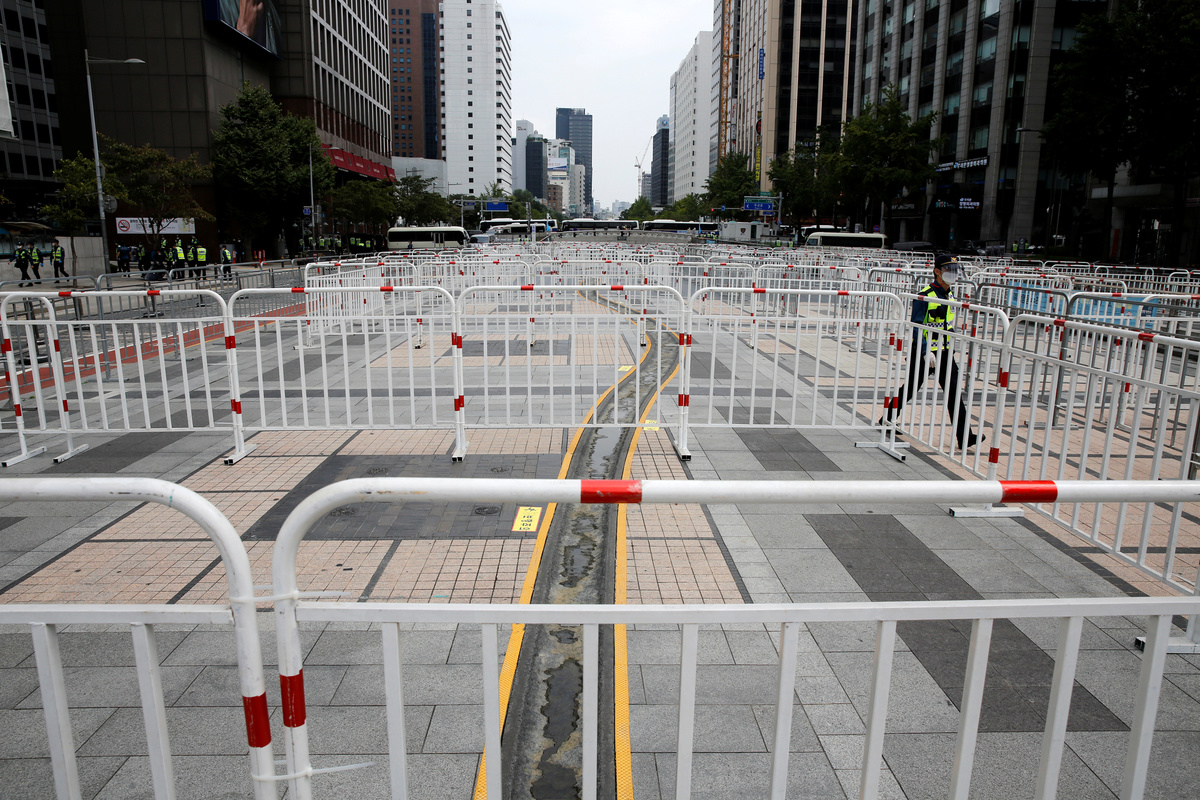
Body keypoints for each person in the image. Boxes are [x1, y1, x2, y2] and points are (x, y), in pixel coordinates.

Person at [880, 253, 982, 450]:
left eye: (955, 270)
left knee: (954, 393)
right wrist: (926, 351)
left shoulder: (950, 295)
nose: (953, 273)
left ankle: (965, 437)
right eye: (948, 269)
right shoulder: (925, 295)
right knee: (910, 388)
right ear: (937, 271)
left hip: (945, 353)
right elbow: (917, 326)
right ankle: (887, 418)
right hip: (924, 353)